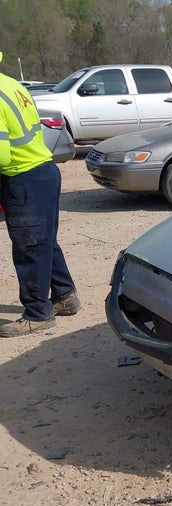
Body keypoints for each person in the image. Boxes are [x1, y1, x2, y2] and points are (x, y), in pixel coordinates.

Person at [0, 52, 80, 337]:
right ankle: (65, 296)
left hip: (22, 178)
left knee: (29, 248)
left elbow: (1, 154)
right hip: (44, 171)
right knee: (45, 241)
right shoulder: (12, 85)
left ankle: (37, 313)